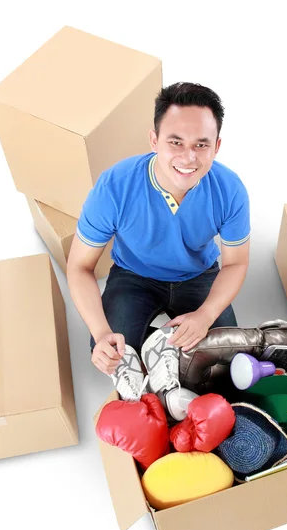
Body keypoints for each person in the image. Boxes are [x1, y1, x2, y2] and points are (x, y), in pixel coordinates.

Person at [67, 82, 250, 416]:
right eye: (175, 142)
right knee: (109, 352)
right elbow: (79, 266)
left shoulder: (230, 189)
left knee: (226, 364)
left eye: (201, 145)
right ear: (154, 140)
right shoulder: (114, 187)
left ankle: (172, 344)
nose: (188, 157)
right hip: (133, 276)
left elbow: (236, 263)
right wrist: (102, 331)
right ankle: (162, 345)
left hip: (199, 274)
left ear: (217, 147)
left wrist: (206, 315)